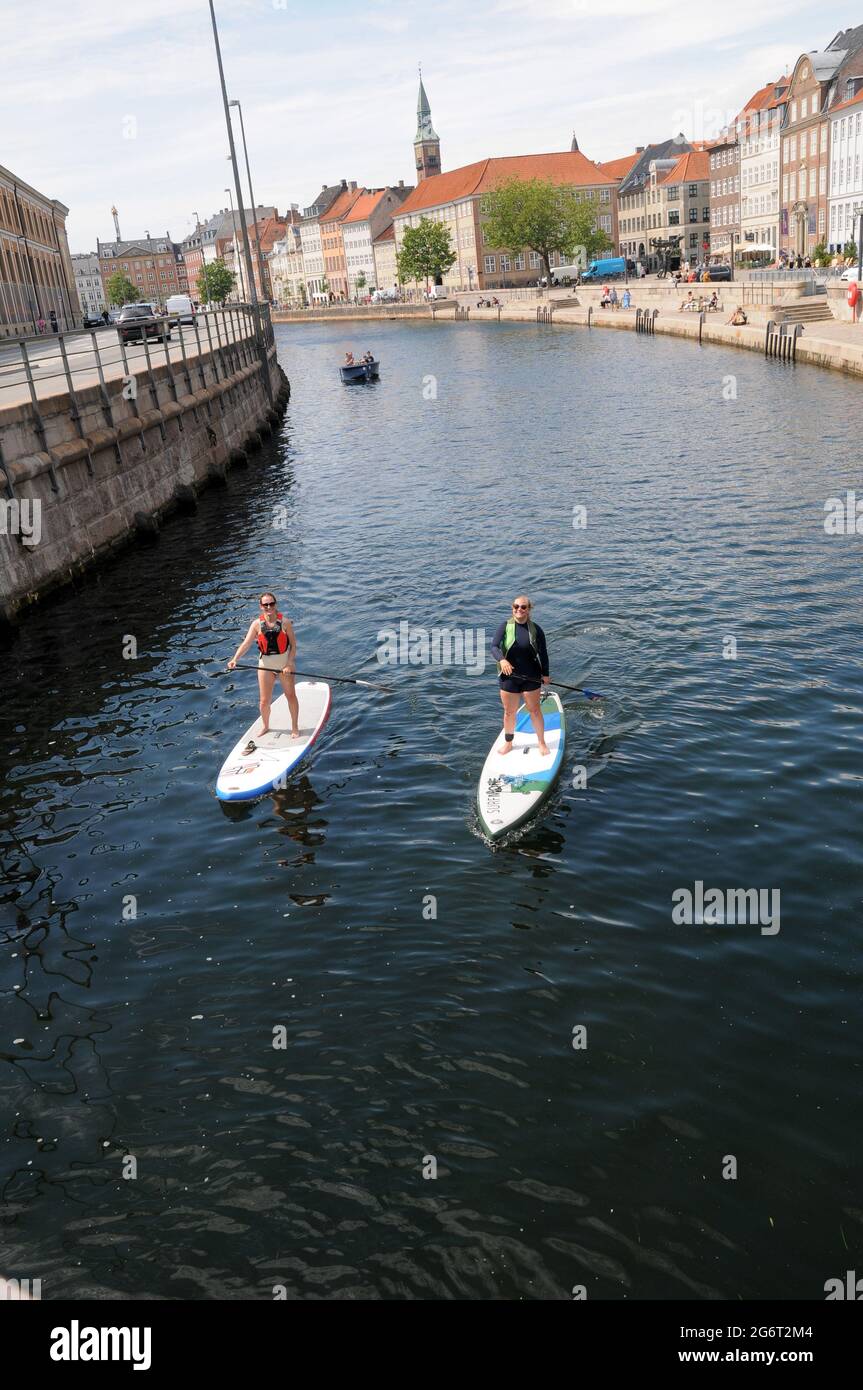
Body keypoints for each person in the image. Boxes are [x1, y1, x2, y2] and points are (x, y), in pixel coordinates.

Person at [227, 592, 299, 746]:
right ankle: (266, 726)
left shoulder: (285, 622)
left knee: (290, 696)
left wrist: (289, 663)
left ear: (275, 605)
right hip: (265, 666)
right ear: (261, 607)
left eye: (271, 604)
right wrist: (235, 659)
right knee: (264, 701)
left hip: (284, 666)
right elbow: (246, 644)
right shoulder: (256, 624)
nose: (269, 607)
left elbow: (293, 646)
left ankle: (294, 727)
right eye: (265, 604)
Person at [490, 596, 551, 757]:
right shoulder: (504, 627)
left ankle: (541, 743)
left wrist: (545, 674)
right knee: (509, 712)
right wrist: (502, 660)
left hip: (531, 675)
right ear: (512, 608)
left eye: (523, 607)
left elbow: (543, 654)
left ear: (529, 609)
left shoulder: (536, 629)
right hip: (509, 677)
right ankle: (509, 743)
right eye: (516, 606)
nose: (519, 609)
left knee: (535, 711)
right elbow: (494, 647)